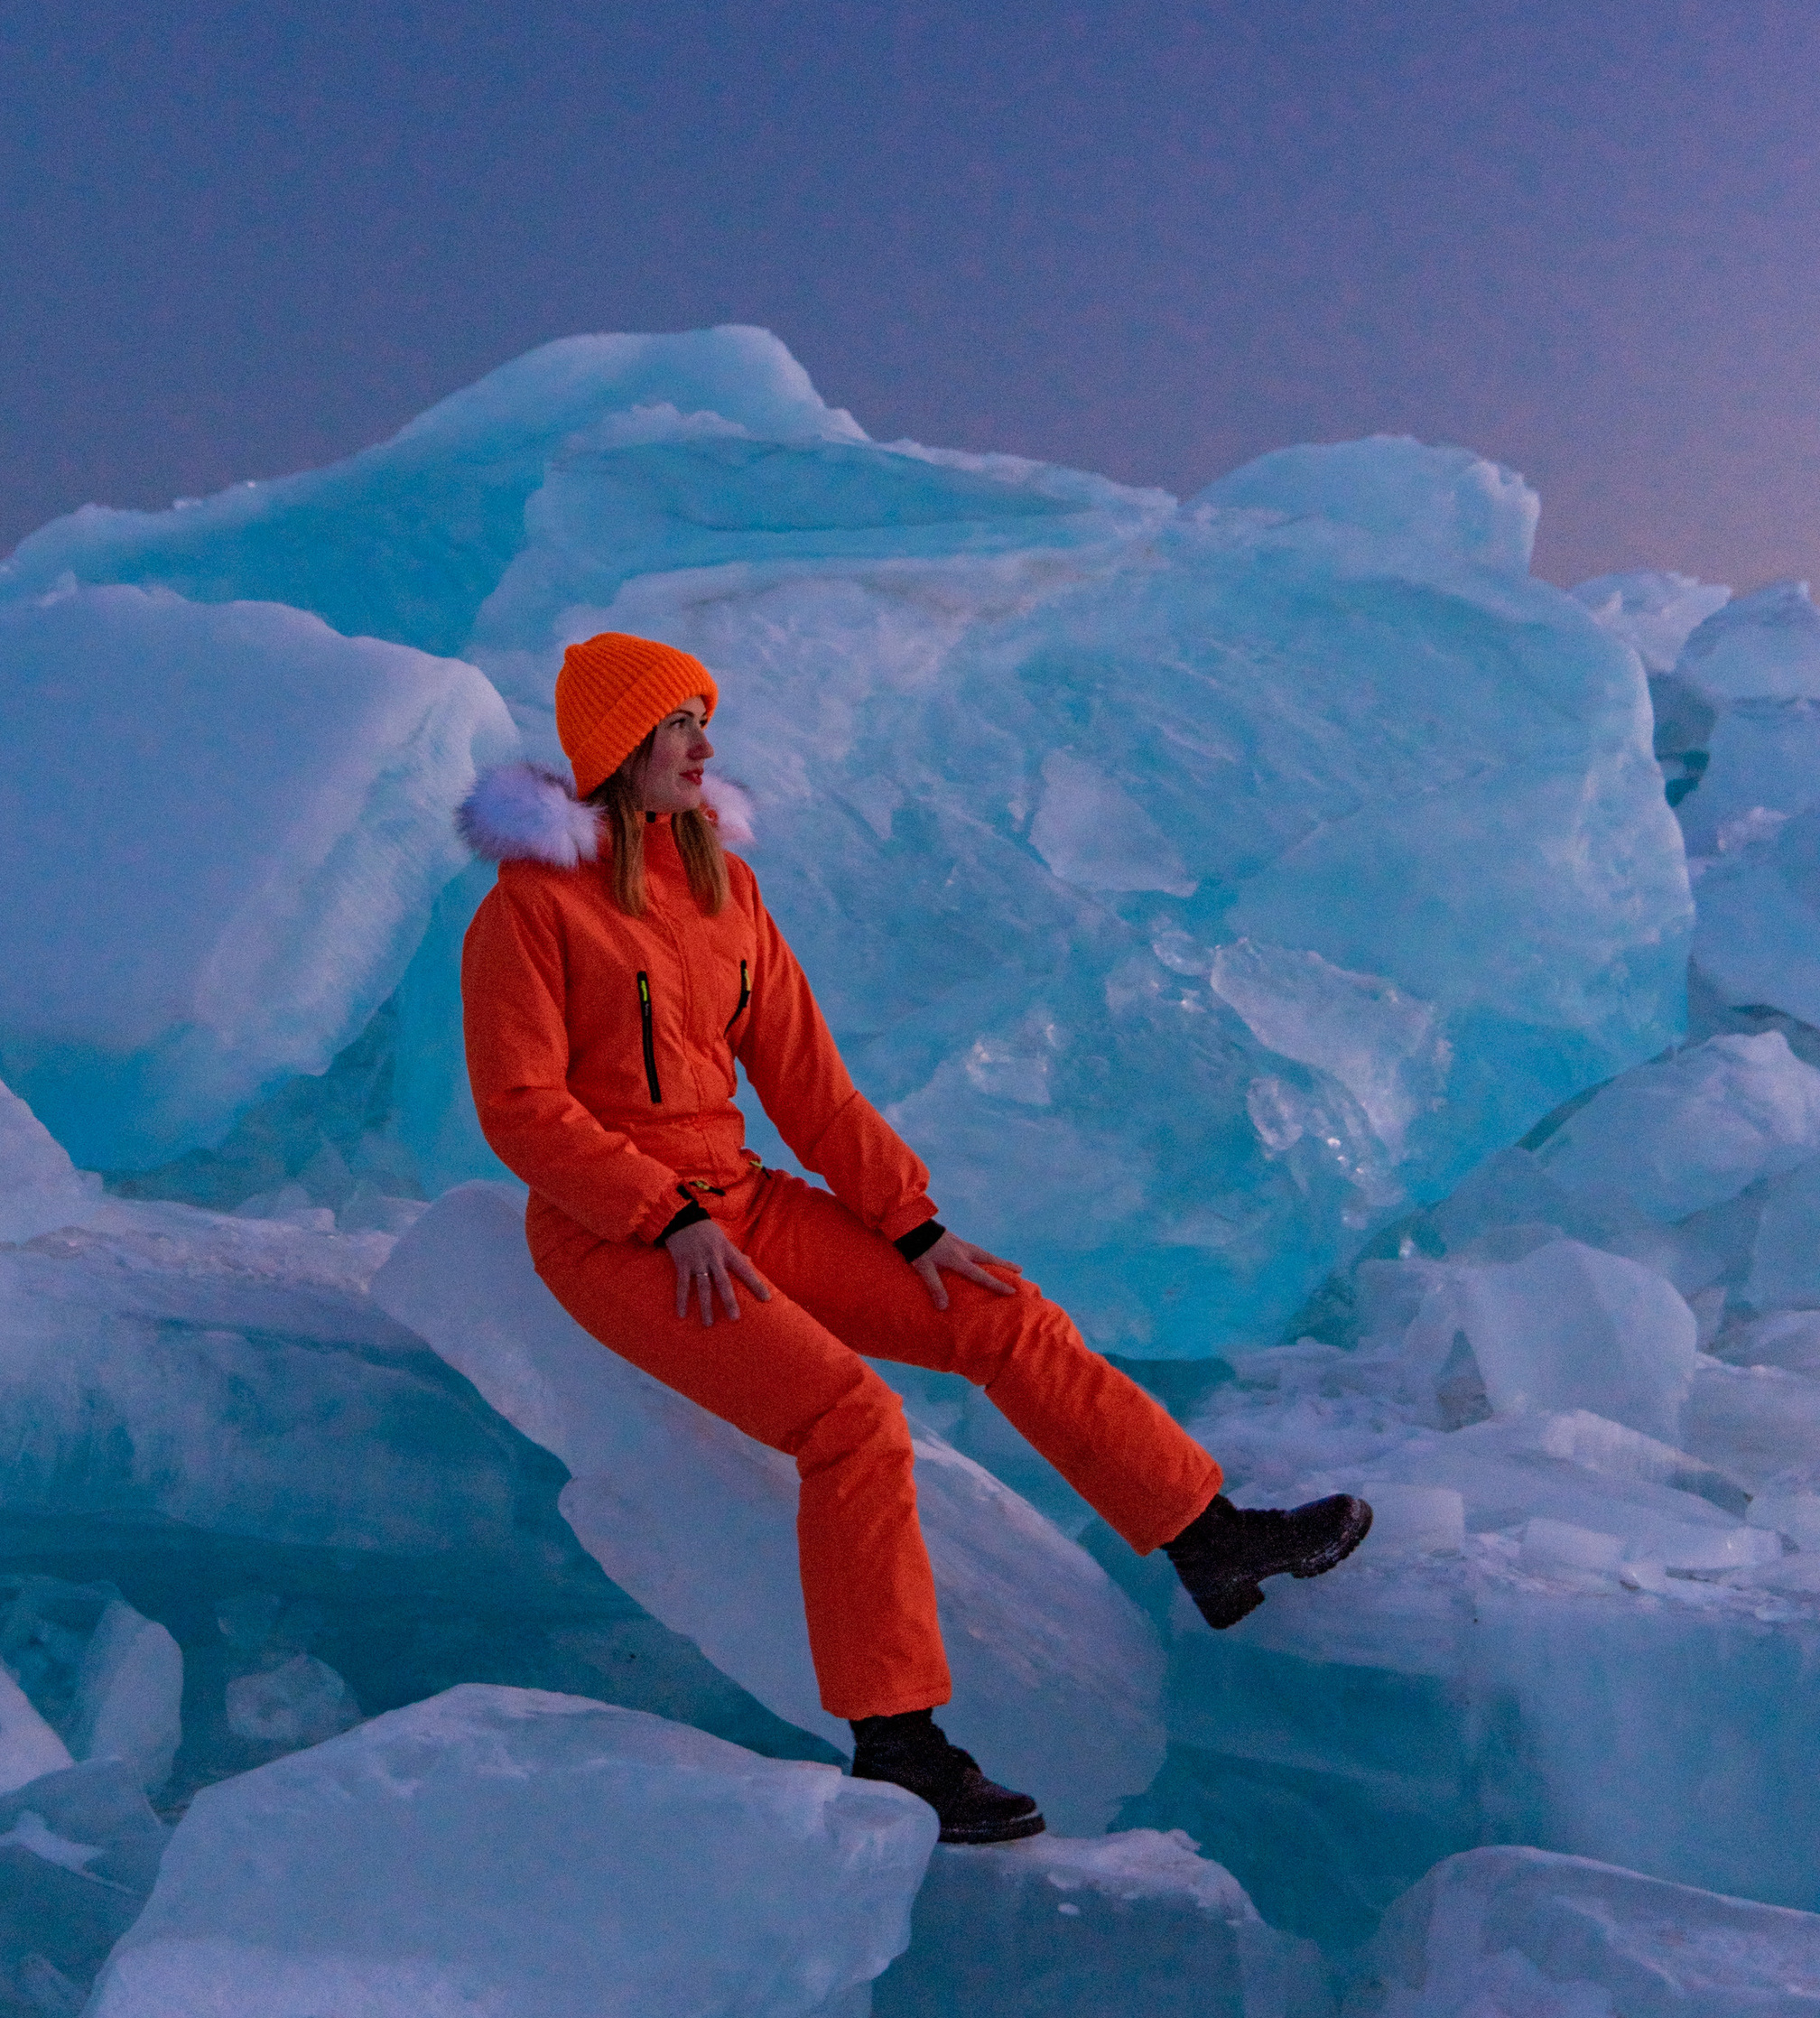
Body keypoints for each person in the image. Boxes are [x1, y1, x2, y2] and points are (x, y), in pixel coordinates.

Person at [458, 630, 1373, 1846]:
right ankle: (899, 1742)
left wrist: (914, 1221)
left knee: (1000, 1308)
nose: (704, 744)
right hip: (615, 1231)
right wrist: (657, 1208)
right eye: (680, 720)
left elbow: (812, 1087)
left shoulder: (729, 894)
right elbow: (521, 1107)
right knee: (851, 1419)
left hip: (739, 1196)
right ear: (619, 745)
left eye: (702, 718)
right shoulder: (529, 908)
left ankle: (1209, 1537)